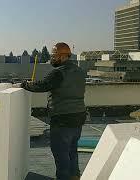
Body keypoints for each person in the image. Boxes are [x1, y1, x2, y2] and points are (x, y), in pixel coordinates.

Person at [21, 42, 86, 180]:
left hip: (62, 119)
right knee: (72, 151)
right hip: (78, 117)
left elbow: (42, 85)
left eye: (54, 55)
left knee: (61, 154)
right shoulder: (79, 71)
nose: (51, 58)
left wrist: (24, 84)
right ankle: (75, 177)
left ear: (62, 56)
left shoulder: (59, 73)